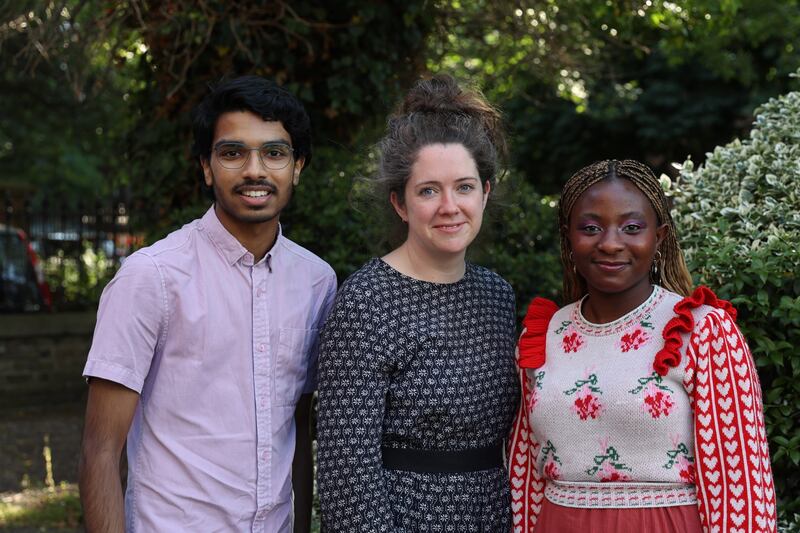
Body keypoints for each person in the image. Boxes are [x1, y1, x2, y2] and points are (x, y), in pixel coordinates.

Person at [78, 75, 337, 533]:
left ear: (298, 166)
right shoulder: (151, 277)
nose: (255, 170)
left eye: (274, 153)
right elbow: (100, 450)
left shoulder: (317, 281)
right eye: (233, 152)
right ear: (206, 167)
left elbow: (296, 428)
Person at [508, 159, 777, 532]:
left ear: (659, 236)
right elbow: (525, 471)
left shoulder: (702, 331)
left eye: (632, 227)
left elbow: (742, 485)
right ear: (569, 237)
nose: (611, 243)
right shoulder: (543, 334)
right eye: (590, 228)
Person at [315, 74, 519, 531]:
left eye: (464, 187)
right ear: (401, 204)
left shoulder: (496, 295)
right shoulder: (367, 302)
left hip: (491, 517)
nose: (449, 206)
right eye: (428, 190)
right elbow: (346, 471)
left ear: (485, 192)